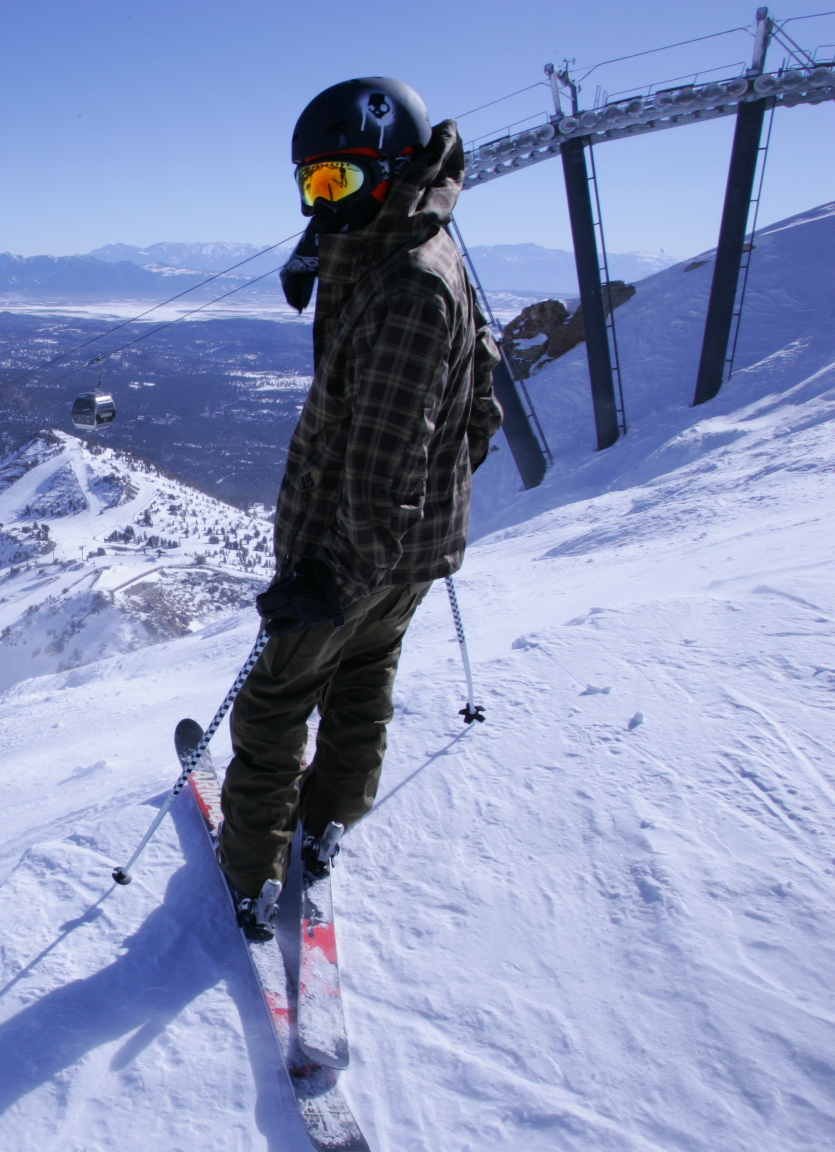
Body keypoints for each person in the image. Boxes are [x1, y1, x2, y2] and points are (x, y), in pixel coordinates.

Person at [217, 78, 505, 940]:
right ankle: (333, 816)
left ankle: (251, 874)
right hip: (412, 553)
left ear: (388, 170)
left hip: (354, 550)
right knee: (365, 680)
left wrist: (331, 578)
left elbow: (386, 469)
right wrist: (320, 240)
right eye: (312, 188)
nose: (324, 204)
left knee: (276, 702)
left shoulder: (411, 287)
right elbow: (479, 402)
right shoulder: (408, 231)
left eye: (337, 184)